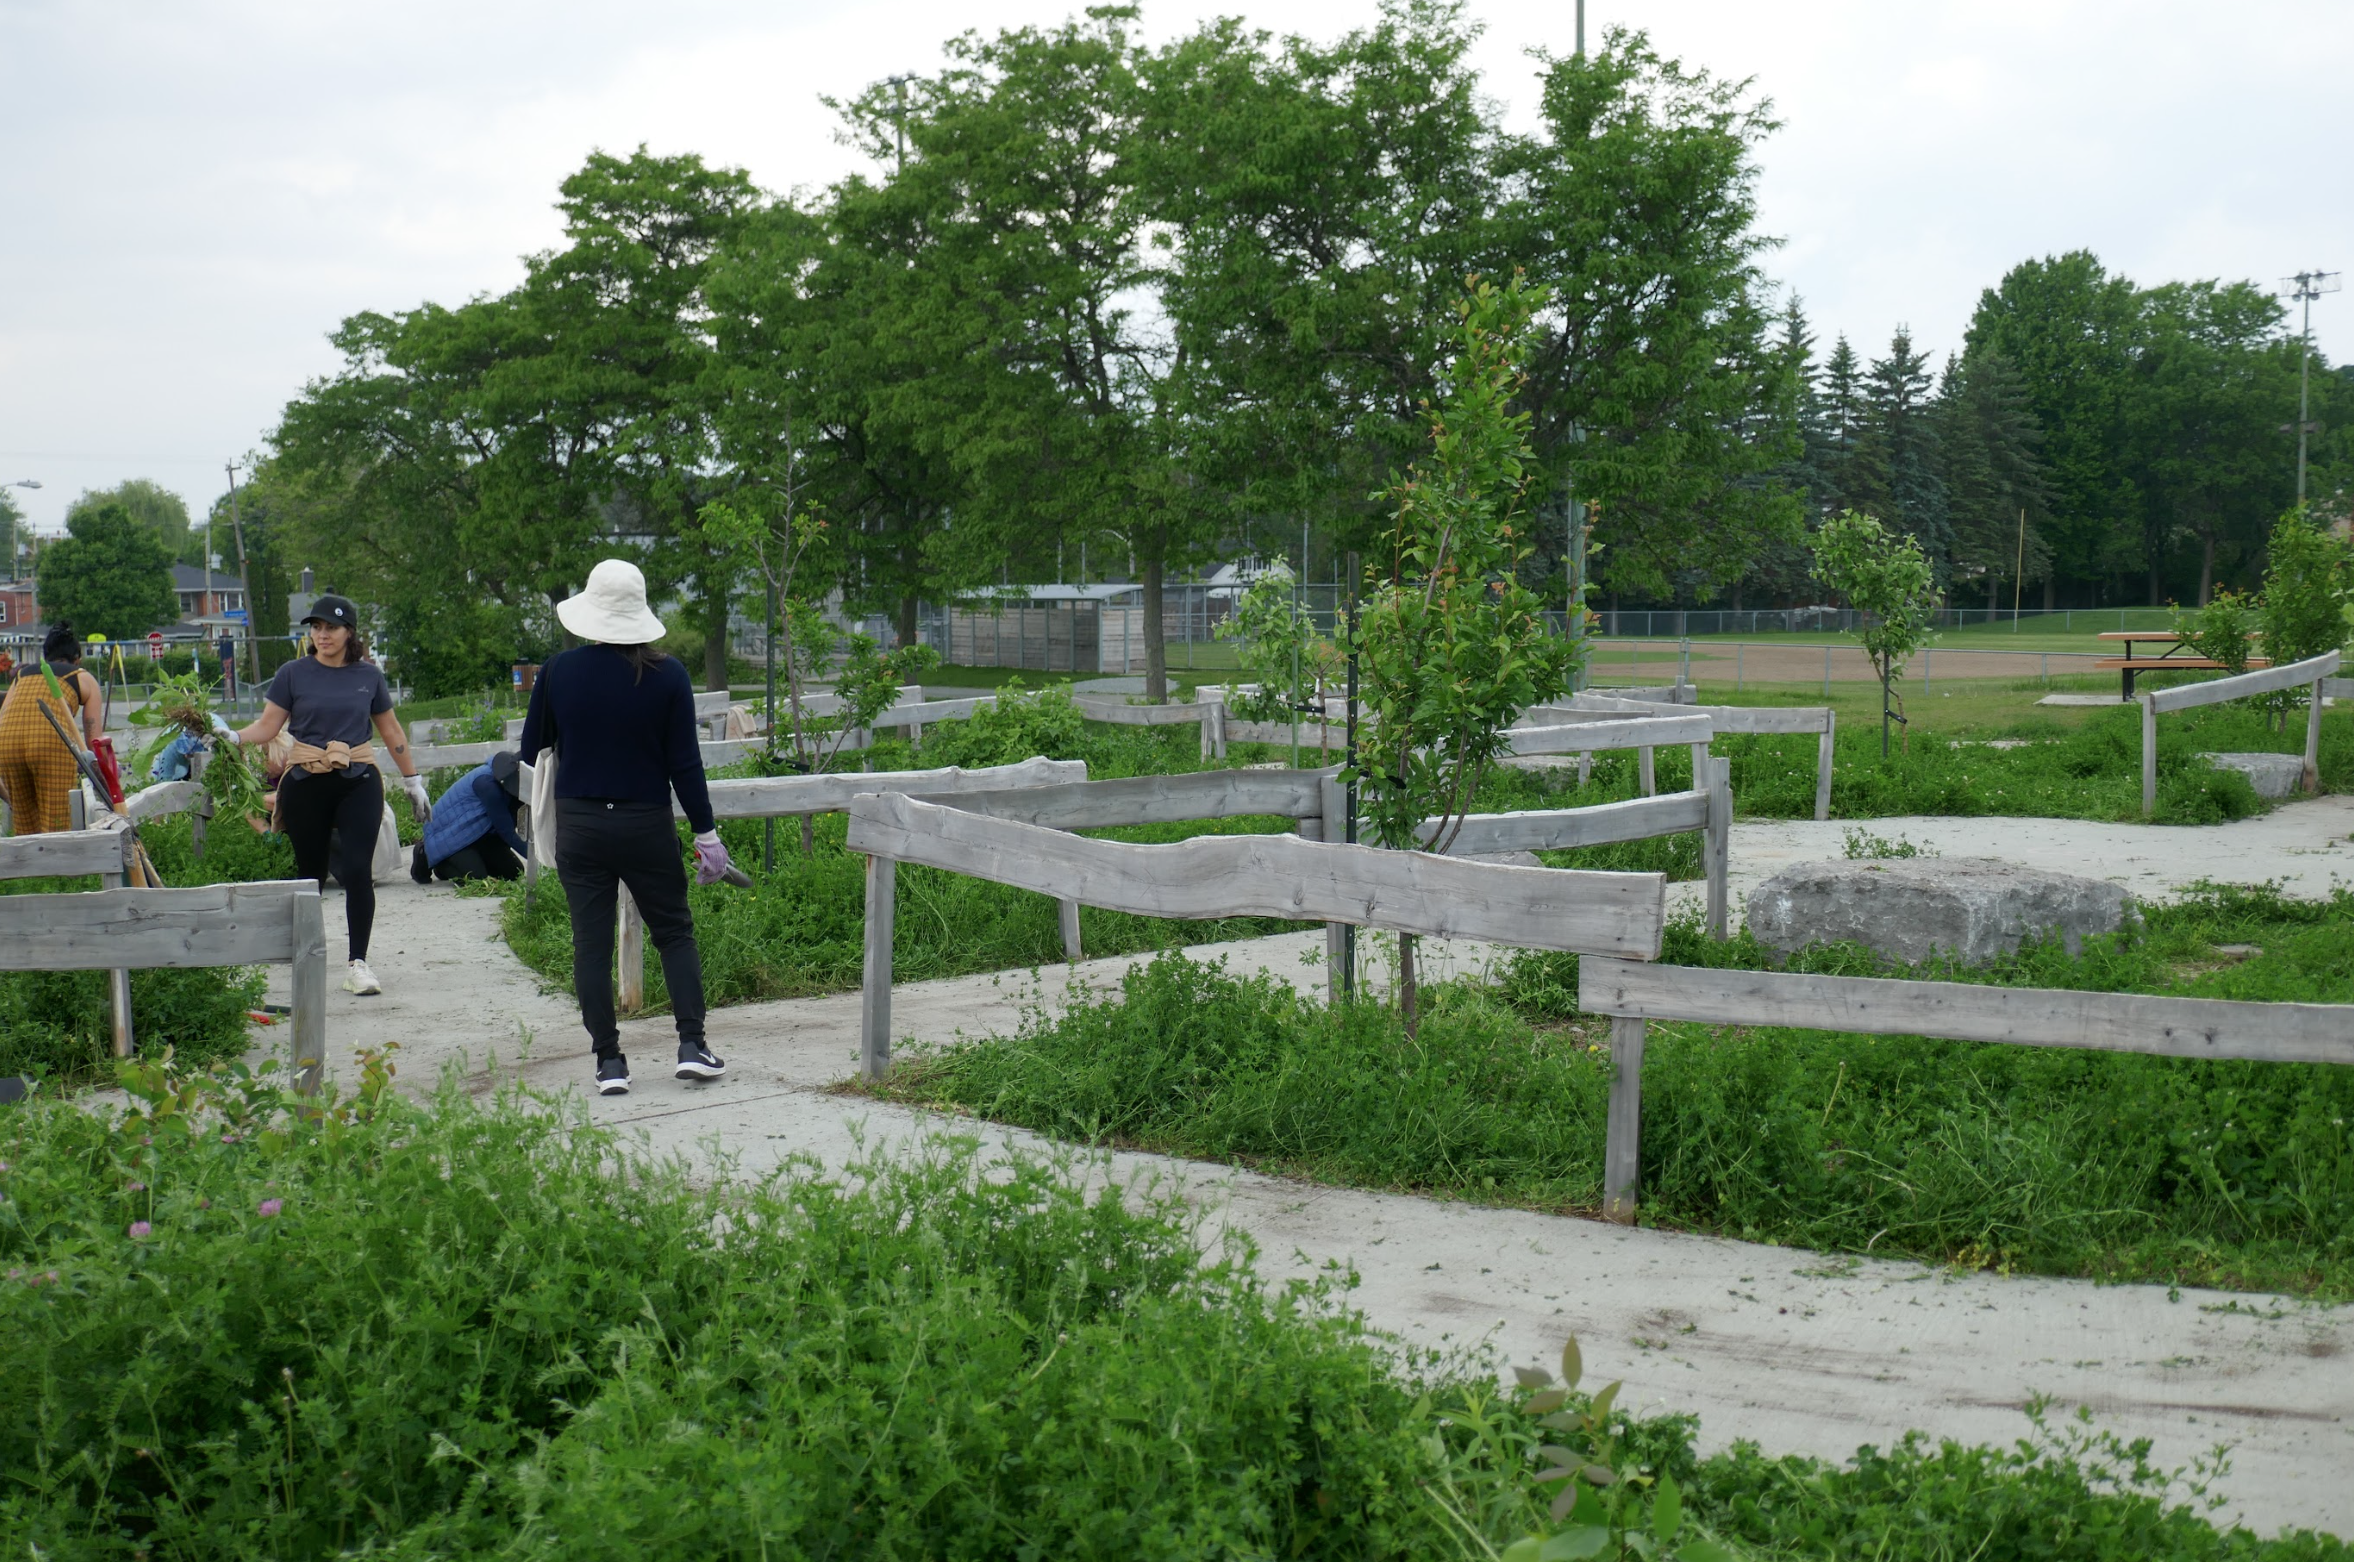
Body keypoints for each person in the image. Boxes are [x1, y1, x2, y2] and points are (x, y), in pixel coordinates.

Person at [520, 558, 730, 1096]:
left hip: (581, 825)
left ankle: (610, 1063)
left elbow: (530, 750)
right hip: (645, 824)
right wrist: (706, 835)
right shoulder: (670, 676)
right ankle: (691, 1046)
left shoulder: (558, 672)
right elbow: (685, 764)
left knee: (589, 946)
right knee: (674, 933)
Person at [212, 595, 431, 996]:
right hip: (307, 778)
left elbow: (392, 731)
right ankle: (307, 954)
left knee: (357, 870)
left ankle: (358, 964)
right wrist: (234, 736)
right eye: (316, 628)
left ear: (350, 632)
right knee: (310, 872)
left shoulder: (369, 676)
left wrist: (412, 779)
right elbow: (267, 726)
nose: (322, 635)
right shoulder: (293, 673)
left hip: (358, 777)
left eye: (331, 627)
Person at [0, 624, 106, 833]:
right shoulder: (82, 676)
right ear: (77, 659)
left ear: (45, 657)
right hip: (49, 740)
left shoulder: (22, 675)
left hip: (7, 742)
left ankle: (28, 863)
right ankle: (60, 865)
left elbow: (4, 715)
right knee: (57, 824)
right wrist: (104, 778)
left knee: (24, 826)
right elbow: (94, 740)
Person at [412, 750, 528, 883]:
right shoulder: (486, 784)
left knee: (513, 873)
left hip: (478, 836)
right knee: (476, 879)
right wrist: (540, 860)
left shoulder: (509, 785)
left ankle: (462, 863)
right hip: (450, 837)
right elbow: (506, 830)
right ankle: (431, 856)